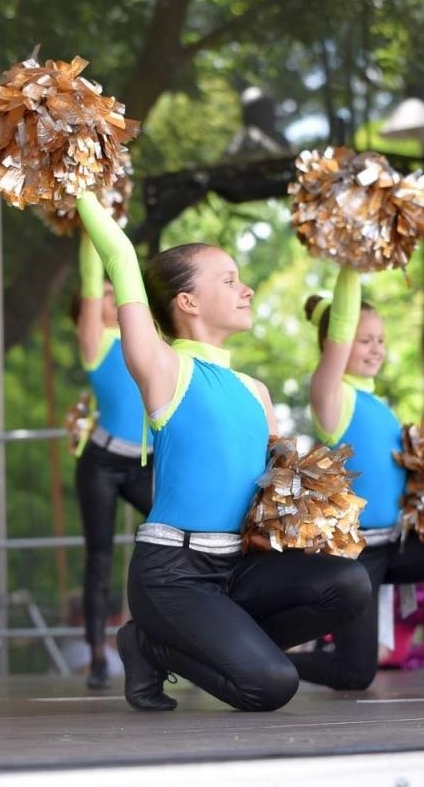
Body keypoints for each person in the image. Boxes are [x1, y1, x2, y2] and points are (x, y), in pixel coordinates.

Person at [75, 192, 369, 712]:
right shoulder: (165, 369)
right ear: (187, 302)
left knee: (347, 584)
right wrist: (80, 184)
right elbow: (120, 257)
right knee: (271, 687)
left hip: (237, 569)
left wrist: (353, 259)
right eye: (229, 281)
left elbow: (274, 500)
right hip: (174, 574)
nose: (246, 289)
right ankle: (150, 645)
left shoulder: (256, 391)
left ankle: (213, 646)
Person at [288, 267, 424, 692]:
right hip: (356, 557)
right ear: (335, 343)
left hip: (398, 547)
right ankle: (267, 658)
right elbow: (341, 323)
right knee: (355, 675)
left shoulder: (378, 404)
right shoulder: (333, 399)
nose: (376, 348)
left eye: (380, 340)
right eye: (364, 340)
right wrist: (352, 262)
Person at [72, 231, 154, 689]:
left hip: (144, 464)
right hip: (101, 464)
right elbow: (91, 279)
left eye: (114, 292)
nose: (110, 296)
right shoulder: (96, 343)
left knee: (173, 540)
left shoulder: (145, 342)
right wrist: (91, 221)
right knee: (99, 558)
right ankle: (97, 657)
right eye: (104, 295)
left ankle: (164, 642)